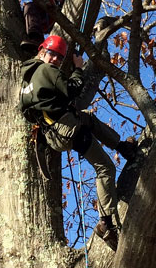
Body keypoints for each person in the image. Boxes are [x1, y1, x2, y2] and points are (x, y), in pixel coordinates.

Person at [20, 35, 141, 251]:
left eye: (59, 57)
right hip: (68, 130)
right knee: (105, 168)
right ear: (41, 52)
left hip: (54, 132)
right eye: (52, 54)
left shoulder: (26, 81)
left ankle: (122, 147)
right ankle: (107, 223)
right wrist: (78, 67)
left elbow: (32, 111)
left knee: (88, 117)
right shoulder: (47, 70)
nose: (55, 59)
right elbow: (73, 89)